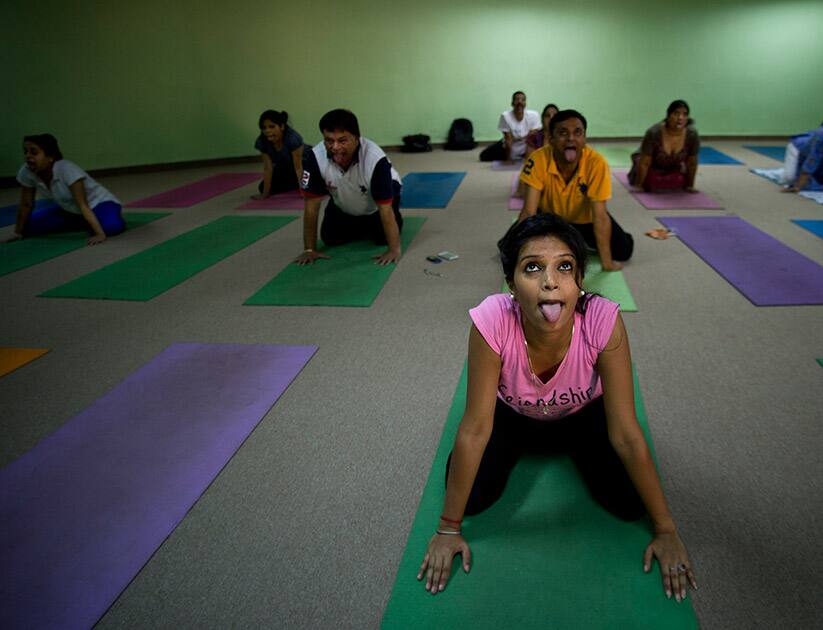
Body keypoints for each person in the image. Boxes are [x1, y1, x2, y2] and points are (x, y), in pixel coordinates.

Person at [416, 213, 696, 600]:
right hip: (513, 418)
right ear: (512, 284)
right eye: (533, 268)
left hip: (581, 418)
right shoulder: (492, 320)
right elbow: (476, 426)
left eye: (565, 267)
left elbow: (627, 432)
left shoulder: (603, 320)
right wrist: (448, 529)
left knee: (631, 505)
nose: (550, 281)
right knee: (474, 500)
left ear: (580, 281)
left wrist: (666, 530)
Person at [518, 109, 633, 271]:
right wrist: (522, 258)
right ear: (551, 138)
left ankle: (576, 241)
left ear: (584, 138)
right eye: (563, 133)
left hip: (585, 221)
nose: (571, 138)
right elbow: (529, 211)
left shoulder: (597, 163)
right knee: (507, 247)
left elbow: (600, 215)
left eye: (577, 132)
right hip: (550, 219)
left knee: (624, 250)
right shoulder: (537, 159)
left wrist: (606, 262)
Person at [296, 109, 403, 266]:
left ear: (356, 138)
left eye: (342, 140)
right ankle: (358, 221)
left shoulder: (375, 159)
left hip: (377, 205)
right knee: (330, 238)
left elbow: (384, 208)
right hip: (343, 198)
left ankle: (392, 218)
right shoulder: (315, 157)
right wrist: (309, 250)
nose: (335, 147)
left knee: (381, 238)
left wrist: (394, 249)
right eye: (329, 140)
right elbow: (311, 204)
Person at [8, 134, 124, 245]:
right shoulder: (26, 171)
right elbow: (26, 204)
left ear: (50, 157)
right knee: (27, 227)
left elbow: (83, 204)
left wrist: (99, 234)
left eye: (34, 152)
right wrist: (18, 232)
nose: (28, 156)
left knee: (112, 227)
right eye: (25, 152)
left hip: (99, 204)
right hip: (70, 210)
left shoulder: (67, 169)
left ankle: (90, 222)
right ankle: (83, 222)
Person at [628, 100, 701, 193]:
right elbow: (645, 163)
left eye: (685, 114)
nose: (680, 118)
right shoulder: (654, 133)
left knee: (678, 180)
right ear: (668, 115)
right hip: (650, 164)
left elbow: (692, 163)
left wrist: (690, 186)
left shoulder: (692, 134)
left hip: (672, 166)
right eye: (676, 113)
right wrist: (639, 185)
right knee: (652, 181)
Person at [252, 110, 305, 199]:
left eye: (272, 127)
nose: (267, 131)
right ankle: (294, 183)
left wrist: (304, 192)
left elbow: (299, 167)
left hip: (305, 166)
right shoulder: (262, 141)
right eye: (264, 128)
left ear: (282, 126)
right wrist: (265, 194)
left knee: (313, 182)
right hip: (285, 168)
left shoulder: (292, 138)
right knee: (262, 187)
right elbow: (268, 168)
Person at [479, 91, 542, 163]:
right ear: (512, 103)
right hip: (510, 144)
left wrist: (527, 156)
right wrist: (508, 158)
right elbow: (508, 139)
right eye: (517, 99)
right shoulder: (505, 116)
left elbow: (532, 138)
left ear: (525, 103)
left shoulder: (534, 115)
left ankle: (522, 155)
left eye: (522, 100)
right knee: (483, 156)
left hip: (527, 144)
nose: (519, 102)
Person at [514, 104, 560, 199]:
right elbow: (529, 162)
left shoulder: (563, 138)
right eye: (547, 116)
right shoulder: (534, 137)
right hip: (539, 171)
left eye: (554, 116)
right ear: (542, 119)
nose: (551, 118)